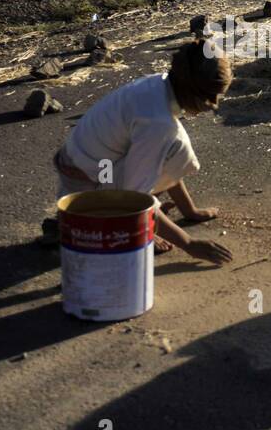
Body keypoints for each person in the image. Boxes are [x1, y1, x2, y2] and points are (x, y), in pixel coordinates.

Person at [50, 37, 233, 265]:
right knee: (174, 148)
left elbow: (161, 158)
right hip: (84, 183)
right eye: (209, 97)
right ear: (190, 88)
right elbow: (133, 198)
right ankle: (91, 217)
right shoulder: (157, 123)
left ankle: (99, 217)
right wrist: (188, 243)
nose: (213, 104)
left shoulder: (160, 85)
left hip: (87, 164)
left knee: (175, 147)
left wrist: (190, 211)